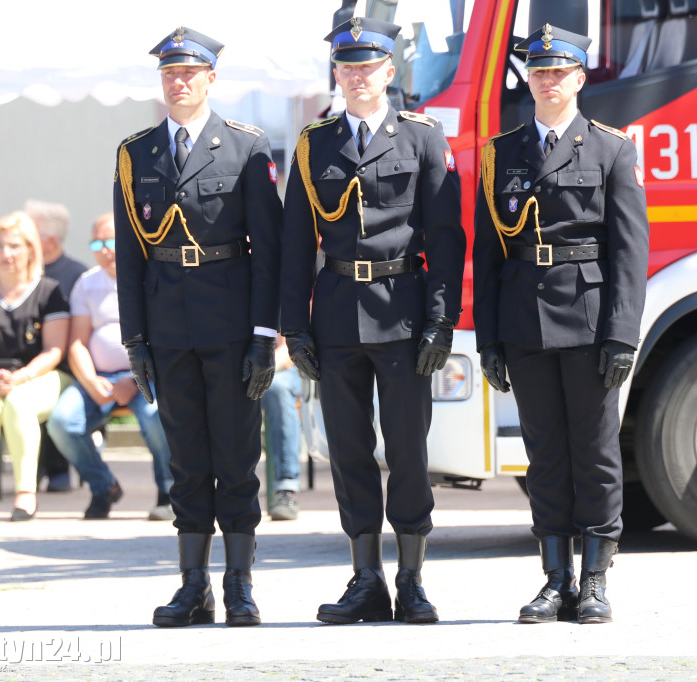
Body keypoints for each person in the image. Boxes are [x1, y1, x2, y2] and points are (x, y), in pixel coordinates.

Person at [280, 17, 465, 625]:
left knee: (408, 450)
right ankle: (366, 579)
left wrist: (442, 320)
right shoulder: (314, 144)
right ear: (336, 73)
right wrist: (295, 326)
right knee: (349, 451)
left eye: (368, 66)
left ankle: (411, 580)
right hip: (335, 315)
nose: (357, 77)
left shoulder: (422, 139)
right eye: (347, 67)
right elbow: (295, 243)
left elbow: (445, 237)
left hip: (403, 312)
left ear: (390, 71)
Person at [472, 24, 650, 625]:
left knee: (596, 453)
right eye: (538, 72)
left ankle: (595, 581)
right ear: (529, 79)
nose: (547, 81)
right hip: (525, 322)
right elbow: (490, 253)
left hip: (590, 318)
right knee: (543, 456)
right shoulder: (502, 151)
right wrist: (489, 337)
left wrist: (622, 334)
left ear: (579, 79)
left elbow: (628, 251)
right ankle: (555, 580)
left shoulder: (611, 149)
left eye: (558, 72)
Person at [113, 26, 281, 628]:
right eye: (168, 74)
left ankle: (239, 584)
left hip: (232, 323)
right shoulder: (135, 153)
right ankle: (192, 586)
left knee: (235, 458)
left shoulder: (246, 147)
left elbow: (269, 249)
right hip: (167, 327)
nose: (178, 82)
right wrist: (135, 340)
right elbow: (131, 257)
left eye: (188, 73)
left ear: (212, 78)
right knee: (186, 461)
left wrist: (266, 335)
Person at [46, 212, 174, 521]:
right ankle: (103, 487)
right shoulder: (86, 284)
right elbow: (77, 343)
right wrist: (90, 382)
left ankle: (169, 492)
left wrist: (134, 379)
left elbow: (166, 339)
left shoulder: (152, 276)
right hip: (99, 378)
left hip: (149, 376)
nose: (107, 249)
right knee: (61, 423)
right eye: (98, 242)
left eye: (113, 240)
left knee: (158, 420)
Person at [0, 211, 71, 522]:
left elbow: (54, 350)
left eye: (14, 246)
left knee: (19, 405)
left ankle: (26, 494)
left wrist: (20, 377)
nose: (5, 253)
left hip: (41, 375)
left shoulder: (49, 291)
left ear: (30, 250)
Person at [24, 199, 87, 493]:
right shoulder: (21, 275)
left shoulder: (76, 275)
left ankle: (57, 468)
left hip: (63, 364)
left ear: (48, 240)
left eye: (29, 233)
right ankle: (31, 471)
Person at [262, 336, 301, 521]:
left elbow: (289, 349)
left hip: (280, 368)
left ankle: (287, 489)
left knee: (277, 388)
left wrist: (262, 368)